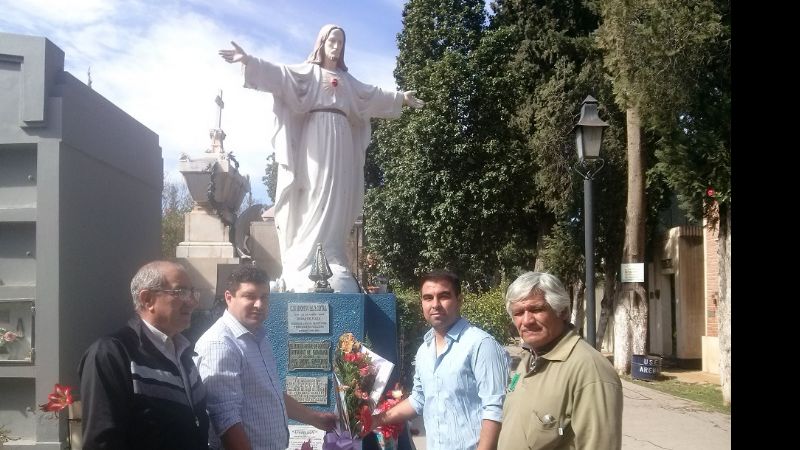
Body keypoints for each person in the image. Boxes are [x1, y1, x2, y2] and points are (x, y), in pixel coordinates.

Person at [219, 24, 424, 293]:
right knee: (315, 192)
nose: (336, 47)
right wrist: (249, 61)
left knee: (339, 194)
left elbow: (371, 95)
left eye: (340, 43)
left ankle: (332, 255)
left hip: (342, 140)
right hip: (315, 136)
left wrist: (400, 98)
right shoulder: (310, 73)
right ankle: (306, 258)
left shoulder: (347, 81)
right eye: (332, 41)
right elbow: (281, 75)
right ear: (321, 44)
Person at [193, 265, 337, 450]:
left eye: (264, 297)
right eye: (249, 296)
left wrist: (315, 418)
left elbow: (269, 395)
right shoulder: (220, 344)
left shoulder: (258, 337)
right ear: (229, 297)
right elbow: (226, 420)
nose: (259, 305)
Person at [78, 260, 209, 449]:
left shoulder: (184, 354)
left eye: (192, 292)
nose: (193, 302)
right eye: (181, 292)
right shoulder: (112, 354)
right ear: (147, 299)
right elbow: (101, 441)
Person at [372, 271, 508, 450]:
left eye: (444, 296)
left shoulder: (480, 344)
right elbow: (419, 399)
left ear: (459, 300)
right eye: (428, 298)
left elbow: (494, 410)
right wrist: (375, 420)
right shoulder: (425, 350)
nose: (435, 304)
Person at [497, 272, 623, 449]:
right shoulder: (529, 358)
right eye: (518, 313)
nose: (527, 321)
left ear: (562, 312)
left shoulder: (589, 369)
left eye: (537, 310)